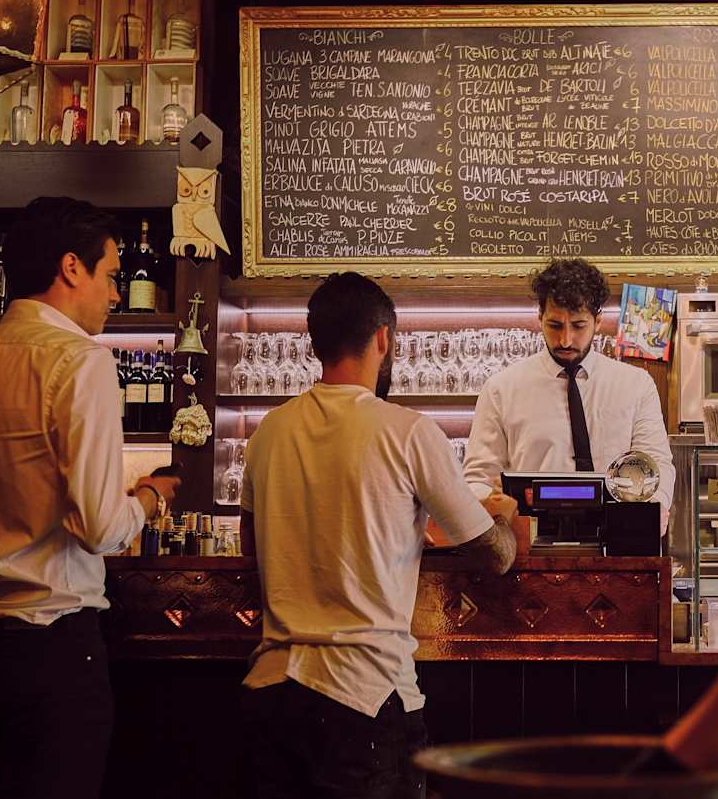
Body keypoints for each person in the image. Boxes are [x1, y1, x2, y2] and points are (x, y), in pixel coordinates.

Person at [0, 197, 181, 799]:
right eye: (110, 276)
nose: (113, 294)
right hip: (48, 653)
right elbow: (102, 529)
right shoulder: (81, 363)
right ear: (71, 267)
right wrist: (151, 498)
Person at [239, 272, 519, 799]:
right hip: (363, 696)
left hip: (272, 691)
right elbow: (495, 555)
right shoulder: (407, 431)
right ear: (385, 339)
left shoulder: (267, 433)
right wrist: (503, 513)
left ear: (312, 341)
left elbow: (251, 549)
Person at [463, 258, 676, 517]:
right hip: (527, 542)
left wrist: (655, 514)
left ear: (598, 321)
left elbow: (657, 465)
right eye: (554, 326)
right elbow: (477, 479)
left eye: (578, 326)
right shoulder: (501, 389)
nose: (565, 339)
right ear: (539, 318)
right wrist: (492, 500)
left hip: (617, 540)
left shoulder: (636, 385)